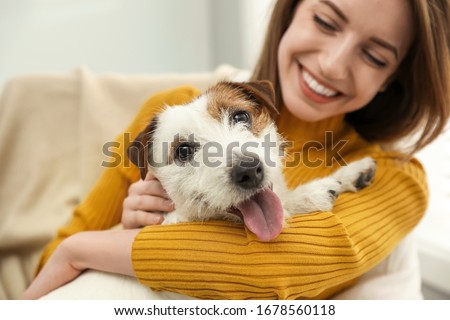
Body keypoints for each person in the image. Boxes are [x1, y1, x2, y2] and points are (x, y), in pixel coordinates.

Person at [24, 0, 450, 300]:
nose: (332, 65)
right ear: (291, 11)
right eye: (325, 20)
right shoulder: (166, 122)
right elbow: (49, 273)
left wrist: (85, 250)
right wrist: (124, 228)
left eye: (375, 56)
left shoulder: (394, 176)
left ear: (394, 77)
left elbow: (275, 271)